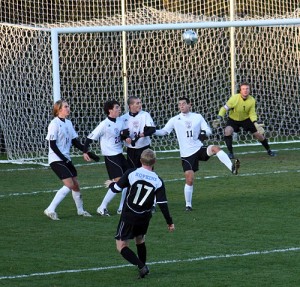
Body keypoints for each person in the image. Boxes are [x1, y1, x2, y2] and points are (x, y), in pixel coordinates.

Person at [155, 97, 239, 211]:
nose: (181, 106)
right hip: (186, 154)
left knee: (215, 148)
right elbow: (164, 131)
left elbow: (208, 130)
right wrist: (153, 131)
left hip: (199, 149)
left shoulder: (197, 117)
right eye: (180, 104)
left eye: (184, 103)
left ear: (190, 105)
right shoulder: (175, 119)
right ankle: (188, 205)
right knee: (189, 179)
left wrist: (205, 133)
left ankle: (232, 168)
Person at [105, 148, 175, 279]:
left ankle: (142, 267)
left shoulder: (132, 173)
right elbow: (163, 204)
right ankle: (142, 268)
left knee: (121, 245)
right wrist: (169, 222)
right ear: (154, 161)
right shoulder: (158, 180)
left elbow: (116, 189)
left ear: (140, 160)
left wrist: (111, 184)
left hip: (129, 215)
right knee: (140, 239)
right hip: (144, 216)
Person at [44, 99, 95, 220]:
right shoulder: (54, 124)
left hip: (66, 158)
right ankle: (50, 209)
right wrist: (63, 159)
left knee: (76, 185)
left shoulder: (68, 123)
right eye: (66, 106)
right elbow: (52, 145)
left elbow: (74, 141)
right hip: (56, 159)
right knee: (69, 184)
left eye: (68, 106)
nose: (68, 108)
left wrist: (86, 151)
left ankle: (81, 211)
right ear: (59, 109)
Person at [83, 100, 129, 216]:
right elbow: (90, 138)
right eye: (117, 107)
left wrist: (126, 137)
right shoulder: (104, 124)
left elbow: (123, 134)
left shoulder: (120, 121)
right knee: (120, 183)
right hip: (110, 156)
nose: (119, 109)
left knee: (128, 181)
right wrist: (85, 152)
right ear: (110, 110)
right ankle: (102, 207)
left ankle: (121, 208)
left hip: (119, 154)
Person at [212, 82, 276, 159]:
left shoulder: (252, 100)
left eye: (247, 89)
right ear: (240, 91)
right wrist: (219, 117)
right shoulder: (234, 98)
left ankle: (269, 150)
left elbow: (252, 113)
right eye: (243, 89)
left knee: (259, 135)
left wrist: (255, 123)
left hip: (246, 120)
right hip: (233, 120)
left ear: (249, 90)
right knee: (227, 131)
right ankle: (230, 153)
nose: (245, 90)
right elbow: (224, 108)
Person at [120, 95, 156, 169]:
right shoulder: (123, 118)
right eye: (137, 103)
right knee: (133, 171)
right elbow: (122, 133)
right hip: (131, 150)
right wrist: (126, 138)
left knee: (148, 171)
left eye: (140, 102)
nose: (140, 105)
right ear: (131, 105)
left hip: (145, 148)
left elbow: (152, 129)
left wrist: (143, 134)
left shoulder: (145, 115)